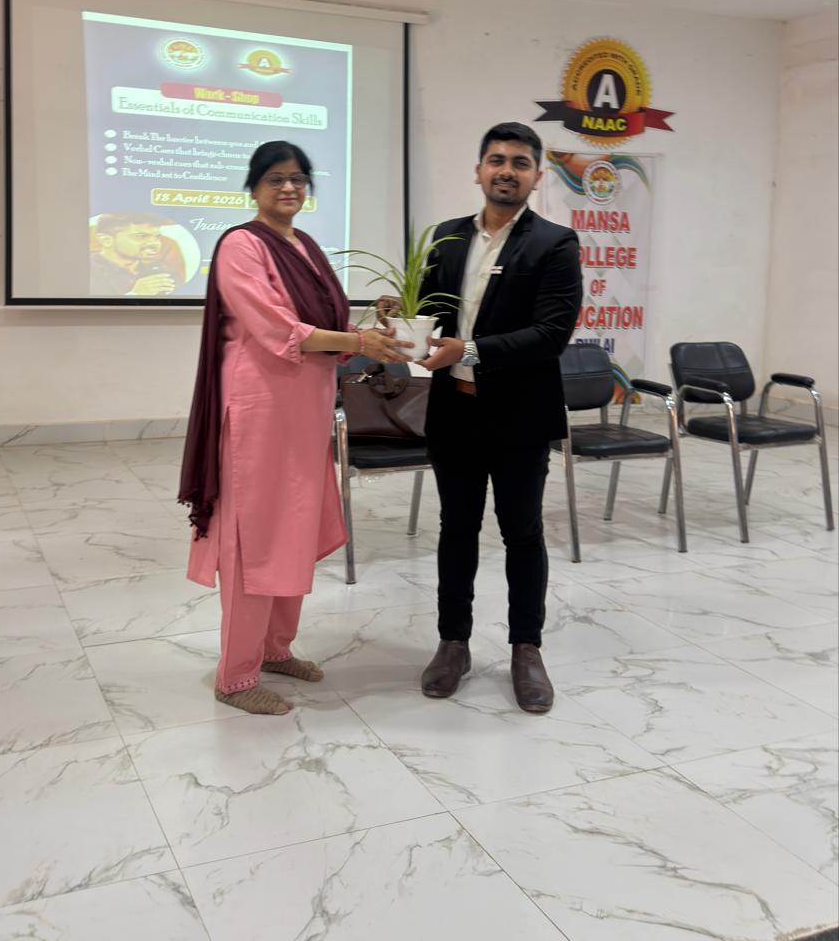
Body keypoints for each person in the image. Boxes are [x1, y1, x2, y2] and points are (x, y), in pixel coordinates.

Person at [178, 140, 412, 716]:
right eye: (276, 178)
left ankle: (275, 649)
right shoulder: (241, 245)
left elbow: (323, 329)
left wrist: (371, 326)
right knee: (253, 538)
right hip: (258, 413)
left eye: (299, 179)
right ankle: (236, 676)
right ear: (254, 187)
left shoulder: (304, 246)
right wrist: (357, 340)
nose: (289, 187)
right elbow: (277, 328)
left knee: (292, 530)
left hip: (305, 414)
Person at [408, 123, 581, 712]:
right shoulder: (446, 237)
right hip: (453, 411)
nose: (507, 170)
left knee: (522, 533)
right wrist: (401, 318)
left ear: (537, 176)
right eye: (497, 160)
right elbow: (427, 310)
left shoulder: (555, 244)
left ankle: (526, 649)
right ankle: (452, 643)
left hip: (519, 417)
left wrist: (472, 350)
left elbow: (551, 333)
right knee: (456, 529)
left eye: (520, 162)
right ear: (479, 170)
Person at [89, 212, 179, 297]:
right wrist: (135, 294)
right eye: (140, 236)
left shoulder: (160, 269)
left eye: (157, 237)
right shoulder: (86, 271)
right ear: (106, 240)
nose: (154, 243)